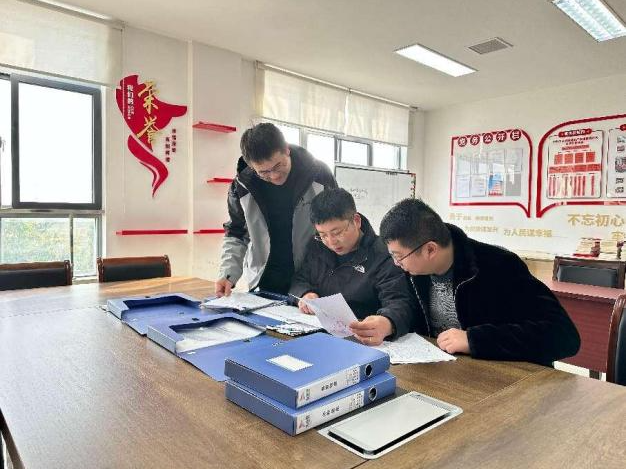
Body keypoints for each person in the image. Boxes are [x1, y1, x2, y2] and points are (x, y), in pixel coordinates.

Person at [379, 198, 581, 365]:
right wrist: (390, 322)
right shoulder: (416, 272)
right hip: (445, 375)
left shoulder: (498, 266)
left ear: (430, 249)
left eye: (399, 256)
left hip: (504, 383)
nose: (396, 263)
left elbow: (563, 336)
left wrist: (474, 339)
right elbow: (408, 309)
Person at [216, 123, 337, 296]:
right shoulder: (242, 186)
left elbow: (338, 220)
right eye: (264, 172)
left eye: (278, 166)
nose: (274, 176)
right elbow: (236, 233)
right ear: (251, 166)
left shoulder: (318, 174)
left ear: (286, 150)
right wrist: (227, 275)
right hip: (264, 280)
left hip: (311, 279)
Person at [290, 188, 416, 346]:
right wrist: (305, 294)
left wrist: (387, 322)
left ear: (356, 221)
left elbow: (399, 303)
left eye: (337, 233)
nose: (331, 242)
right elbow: (299, 279)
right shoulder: (317, 246)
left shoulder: (383, 254)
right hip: (319, 334)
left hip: (363, 338)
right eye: (323, 235)